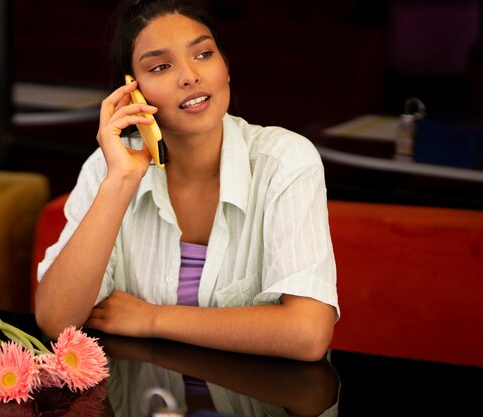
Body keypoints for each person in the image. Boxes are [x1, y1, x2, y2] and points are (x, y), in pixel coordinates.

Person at [35, 0, 339, 362]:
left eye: (203, 54)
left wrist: (152, 318)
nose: (189, 76)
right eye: (161, 66)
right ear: (132, 93)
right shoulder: (110, 167)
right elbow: (56, 321)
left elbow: (307, 334)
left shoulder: (285, 160)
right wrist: (121, 181)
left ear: (225, 66)